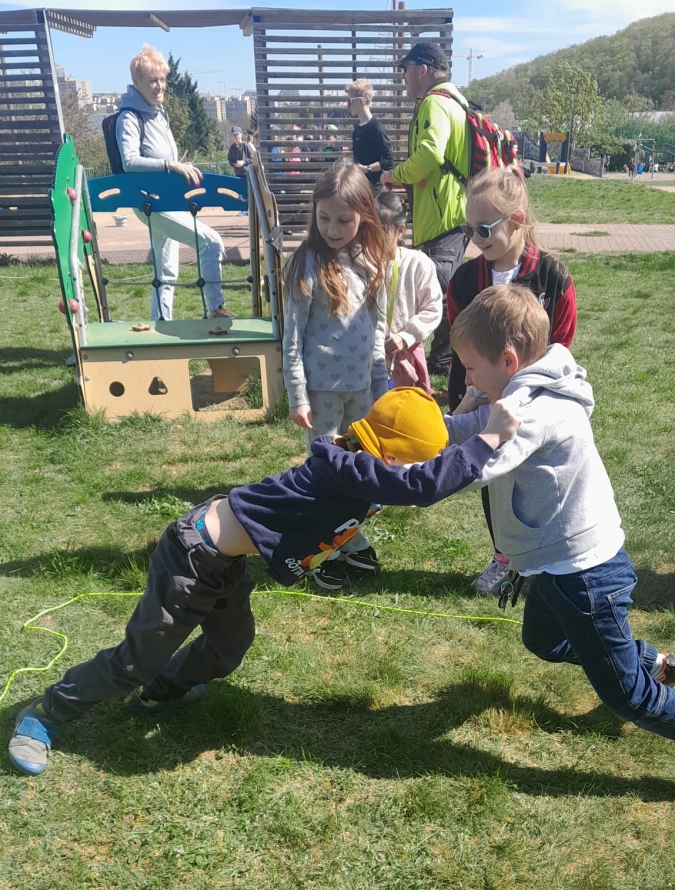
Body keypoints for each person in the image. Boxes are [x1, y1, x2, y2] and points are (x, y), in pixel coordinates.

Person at [7, 389, 519, 777]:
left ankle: (162, 691)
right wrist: (489, 438)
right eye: (413, 462)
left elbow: (424, 463)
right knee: (136, 660)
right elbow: (424, 484)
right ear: (389, 458)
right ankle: (47, 712)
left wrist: (465, 412)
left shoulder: (366, 467)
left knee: (230, 645)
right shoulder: (347, 470)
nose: (420, 470)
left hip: (225, 564)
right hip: (193, 555)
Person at [445, 284, 675, 738]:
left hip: (585, 575)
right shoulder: (519, 396)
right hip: (556, 566)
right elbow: (467, 429)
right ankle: (656, 663)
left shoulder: (533, 411)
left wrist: (397, 479)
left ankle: (639, 674)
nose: (467, 380)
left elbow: (472, 467)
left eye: (470, 368)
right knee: (543, 640)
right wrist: (411, 432)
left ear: (508, 362)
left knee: (630, 698)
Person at [447, 167, 577, 596]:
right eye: (468, 229)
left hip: (534, 403)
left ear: (517, 220)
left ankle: (541, 554)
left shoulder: (553, 276)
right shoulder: (464, 280)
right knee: (493, 478)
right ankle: (504, 554)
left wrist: (530, 388)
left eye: (484, 229)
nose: (475, 239)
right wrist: (472, 392)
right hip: (481, 399)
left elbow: (561, 343)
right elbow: (460, 341)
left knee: (535, 477)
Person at [283, 161, 389, 587]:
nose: (332, 228)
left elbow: (378, 333)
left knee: (357, 469)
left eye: (343, 220)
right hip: (320, 393)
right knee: (326, 472)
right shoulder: (305, 263)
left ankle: (347, 537)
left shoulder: (371, 263)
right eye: (324, 217)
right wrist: (297, 394)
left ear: (364, 215)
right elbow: (292, 336)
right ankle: (316, 551)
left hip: (360, 392)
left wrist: (381, 389)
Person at [116, 45, 230, 321]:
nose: (160, 86)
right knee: (211, 242)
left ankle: (160, 323)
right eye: (152, 81)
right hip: (151, 202)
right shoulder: (129, 117)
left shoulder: (158, 113)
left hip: (167, 198)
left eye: (162, 79)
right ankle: (216, 310)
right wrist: (170, 165)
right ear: (137, 83)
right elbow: (129, 161)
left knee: (166, 269)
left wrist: (176, 166)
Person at [380, 41, 469, 376]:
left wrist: (395, 175)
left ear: (423, 69)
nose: (403, 78)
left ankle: (444, 360)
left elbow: (431, 153)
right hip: (450, 212)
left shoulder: (435, 102)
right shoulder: (455, 100)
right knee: (445, 287)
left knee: (441, 289)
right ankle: (445, 358)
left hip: (442, 217)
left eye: (405, 70)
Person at [376, 191, 442, 392]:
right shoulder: (361, 264)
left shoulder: (418, 263)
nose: (374, 237)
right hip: (370, 357)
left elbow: (433, 308)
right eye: (369, 229)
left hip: (407, 356)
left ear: (400, 231)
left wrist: (406, 336)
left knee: (406, 406)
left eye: (382, 230)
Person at [344, 78, 393, 193]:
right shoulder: (357, 130)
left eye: (349, 101)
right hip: (360, 188)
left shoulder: (377, 127)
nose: (348, 105)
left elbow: (389, 160)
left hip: (376, 190)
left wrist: (367, 169)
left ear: (360, 101)